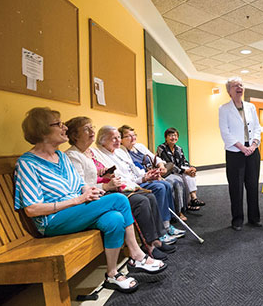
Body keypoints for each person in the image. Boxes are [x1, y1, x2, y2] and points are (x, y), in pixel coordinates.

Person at [14, 107, 166, 294]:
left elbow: (80, 184)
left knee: (115, 218)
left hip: (76, 212)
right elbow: (32, 209)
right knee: (118, 199)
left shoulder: (60, 156)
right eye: (59, 124)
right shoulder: (27, 163)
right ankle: (137, 254)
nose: (64, 128)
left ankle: (112, 274)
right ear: (42, 130)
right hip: (53, 220)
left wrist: (89, 190)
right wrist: (78, 200)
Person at [64, 117, 177, 260]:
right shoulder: (72, 155)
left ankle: (156, 239)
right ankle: (149, 245)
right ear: (74, 135)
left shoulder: (90, 152)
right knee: (141, 201)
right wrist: (105, 185)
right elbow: (81, 186)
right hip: (97, 196)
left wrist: (105, 175)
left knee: (149, 196)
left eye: (92, 126)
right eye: (87, 128)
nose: (92, 130)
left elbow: (96, 174)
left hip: (109, 189)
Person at [92, 126, 185, 240]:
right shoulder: (103, 155)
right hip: (129, 185)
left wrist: (148, 175)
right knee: (160, 187)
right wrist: (144, 178)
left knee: (166, 184)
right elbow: (123, 178)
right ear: (103, 140)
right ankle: (162, 228)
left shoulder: (120, 151)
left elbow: (134, 169)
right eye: (114, 138)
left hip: (138, 179)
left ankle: (167, 224)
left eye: (119, 137)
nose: (118, 141)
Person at [218, 77, 262, 231]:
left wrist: (254, 144)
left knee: (252, 185)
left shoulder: (251, 107)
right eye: (235, 85)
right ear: (229, 91)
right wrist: (242, 147)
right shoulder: (223, 109)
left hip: (253, 151)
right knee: (236, 188)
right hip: (235, 153)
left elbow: (257, 127)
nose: (239, 87)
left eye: (241, 85)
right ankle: (237, 219)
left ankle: (254, 218)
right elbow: (225, 132)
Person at [156, 127, 205, 216]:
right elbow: (169, 164)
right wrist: (184, 171)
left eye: (175, 135)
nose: (173, 138)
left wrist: (190, 168)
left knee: (191, 175)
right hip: (168, 171)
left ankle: (193, 199)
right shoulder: (161, 148)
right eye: (170, 135)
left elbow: (184, 161)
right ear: (166, 137)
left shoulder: (179, 148)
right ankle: (182, 208)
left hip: (179, 169)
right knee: (181, 178)